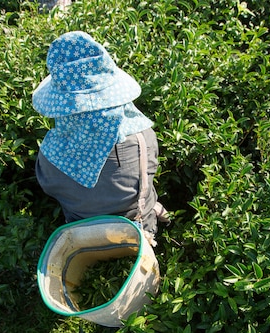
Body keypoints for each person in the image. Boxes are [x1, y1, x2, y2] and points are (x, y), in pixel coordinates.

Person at [32, 31, 168, 244]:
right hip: (139, 230)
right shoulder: (143, 138)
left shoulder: (50, 155)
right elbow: (150, 171)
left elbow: (50, 188)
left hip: (84, 237)